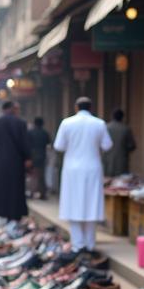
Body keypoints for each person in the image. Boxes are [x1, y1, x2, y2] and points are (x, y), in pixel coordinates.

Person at [53, 97, 113, 253]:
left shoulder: (67, 123)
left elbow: (59, 146)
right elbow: (107, 145)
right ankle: (90, 244)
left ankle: (78, 244)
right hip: (92, 167)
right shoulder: (99, 123)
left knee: (74, 205)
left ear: (76, 107)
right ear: (91, 107)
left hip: (72, 168)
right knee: (91, 204)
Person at [0, 101, 32, 221]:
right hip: (16, 161)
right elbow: (24, 143)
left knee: (1, 187)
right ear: (12, 109)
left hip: (1, 161)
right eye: (17, 109)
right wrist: (28, 158)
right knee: (15, 187)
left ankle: (1, 212)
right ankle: (15, 213)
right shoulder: (21, 123)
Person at [104, 109, 136, 177]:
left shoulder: (106, 127)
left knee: (107, 183)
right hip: (122, 161)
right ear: (122, 117)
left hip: (107, 160)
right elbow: (132, 146)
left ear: (112, 116)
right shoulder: (126, 129)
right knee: (120, 183)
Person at [28, 116, 51, 199]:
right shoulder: (45, 133)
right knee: (41, 176)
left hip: (32, 156)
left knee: (33, 175)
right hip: (42, 156)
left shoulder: (30, 132)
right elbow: (48, 144)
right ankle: (42, 194)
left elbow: (27, 144)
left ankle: (31, 193)